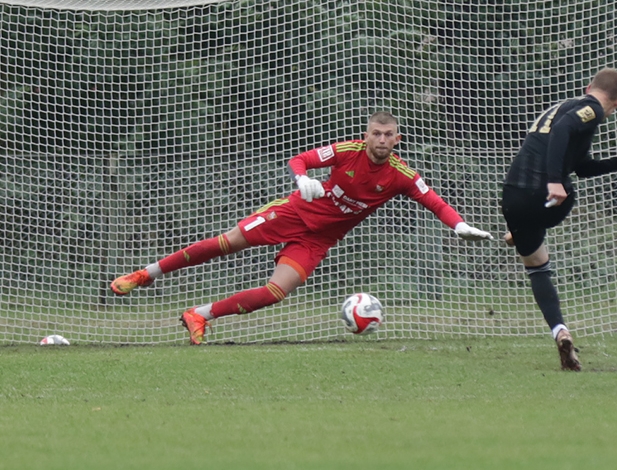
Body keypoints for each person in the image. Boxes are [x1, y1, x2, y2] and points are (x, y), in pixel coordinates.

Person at [110, 111, 493, 344]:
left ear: (397, 138)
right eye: (374, 133)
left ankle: (200, 315)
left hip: (319, 239)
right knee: (228, 242)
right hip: (294, 212)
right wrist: (301, 180)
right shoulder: (346, 152)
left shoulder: (401, 176)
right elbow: (301, 160)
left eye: (387, 134)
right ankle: (145, 274)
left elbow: (434, 201)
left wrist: (459, 225)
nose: (380, 140)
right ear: (366, 135)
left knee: (277, 291)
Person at [501, 68, 617, 371]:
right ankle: (525, 230)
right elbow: (563, 131)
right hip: (545, 197)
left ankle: (560, 331)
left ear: (589, 85)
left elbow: (582, 166)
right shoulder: (592, 108)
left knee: (537, 268)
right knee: (565, 191)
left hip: (512, 196)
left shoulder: (567, 105)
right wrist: (553, 181)